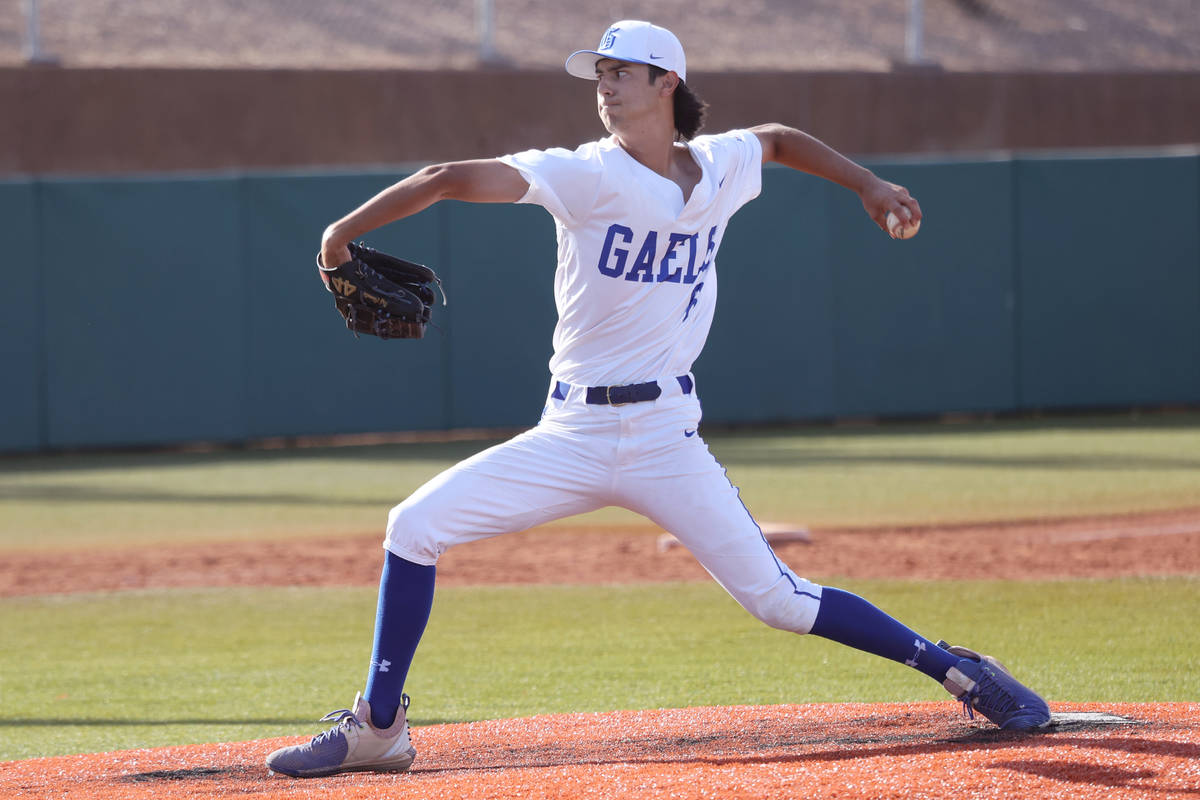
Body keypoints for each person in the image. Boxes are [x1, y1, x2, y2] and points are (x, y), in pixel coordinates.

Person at [266, 20, 1050, 779]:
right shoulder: (586, 172)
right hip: (571, 431)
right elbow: (446, 179)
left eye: (619, 72)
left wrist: (870, 184)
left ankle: (955, 669)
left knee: (778, 600)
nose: (603, 86)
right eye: (597, 74)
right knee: (413, 527)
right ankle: (378, 728)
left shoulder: (717, 167)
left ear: (666, 82)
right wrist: (342, 232)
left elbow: (776, 138)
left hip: (666, 433)